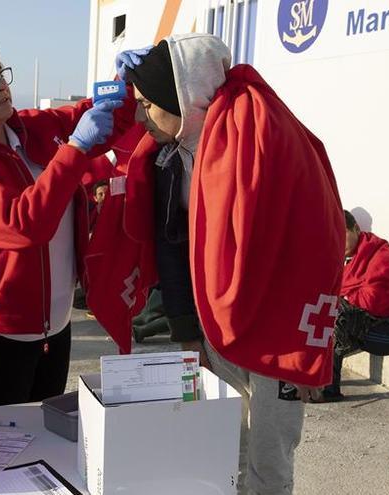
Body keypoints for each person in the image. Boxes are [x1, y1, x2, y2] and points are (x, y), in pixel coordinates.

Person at [87, 35, 344, 495]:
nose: (141, 115)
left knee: (271, 450)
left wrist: (307, 355)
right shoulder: (170, 155)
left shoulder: (264, 141)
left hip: (277, 325)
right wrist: (188, 329)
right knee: (226, 436)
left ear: (180, 100)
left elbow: (316, 241)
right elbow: (174, 246)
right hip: (217, 321)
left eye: (147, 103)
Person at [0, 35, 134, 408]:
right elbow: (23, 224)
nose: (1, 88)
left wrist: (129, 82)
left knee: (45, 441)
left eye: (0, 75)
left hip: (54, 327)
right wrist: (74, 151)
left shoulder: (33, 128)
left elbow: (102, 115)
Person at [317, 209, 389, 402]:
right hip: (368, 324)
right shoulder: (346, 257)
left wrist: (340, 296)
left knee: (335, 314)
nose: (338, 242)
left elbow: (372, 302)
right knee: (318, 308)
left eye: (342, 234)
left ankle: (328, 389)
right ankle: (315, 378)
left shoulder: (383, 259)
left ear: (356, 228)